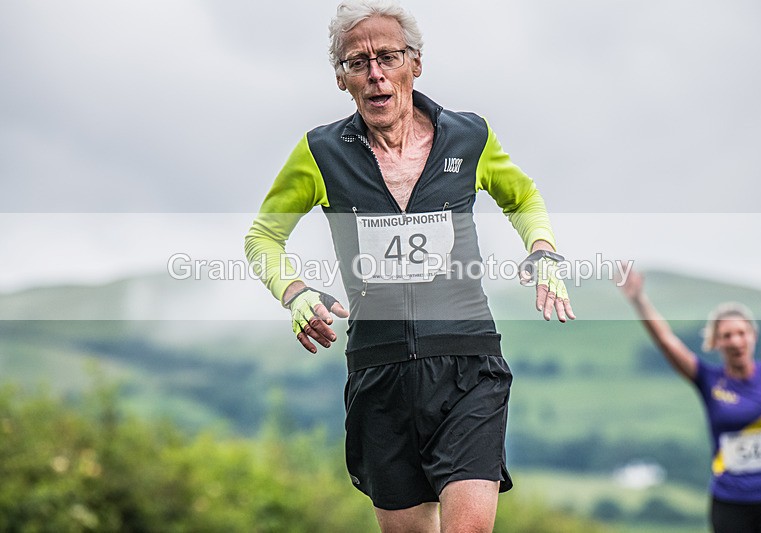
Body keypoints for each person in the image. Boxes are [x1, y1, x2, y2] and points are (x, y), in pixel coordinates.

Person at [245, 1, 575, 530]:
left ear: (415, 64)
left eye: (388, 57)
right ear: (341, 79)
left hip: (467, 363)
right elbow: (263, 236)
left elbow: (523, 197)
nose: (376, 74)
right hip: (380, 371)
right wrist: (295, 292)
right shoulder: (320, 152)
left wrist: (541, 248)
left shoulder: (469, 137)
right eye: (358, 62)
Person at [618, 268, 761, 533]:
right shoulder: (707, 379)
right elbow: (667, 342)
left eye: (741, 333)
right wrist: (638, 300)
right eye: (727, 335)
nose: (735, 341)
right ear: (716, 342)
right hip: (730, 502)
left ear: (753, 337)